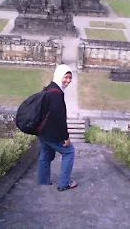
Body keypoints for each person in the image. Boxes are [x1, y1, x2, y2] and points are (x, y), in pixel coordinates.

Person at [37, 64, 77, 192]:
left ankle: (43, 181)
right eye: (66, 77)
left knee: (46, 153)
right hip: (50, 132)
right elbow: (59, 118)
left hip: (42, 131)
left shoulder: (49, 88)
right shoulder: (56, 94)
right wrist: (65, 137)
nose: (68, 81)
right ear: (60, 76)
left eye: (70, 78)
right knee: (69, 152)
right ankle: (64, 183)